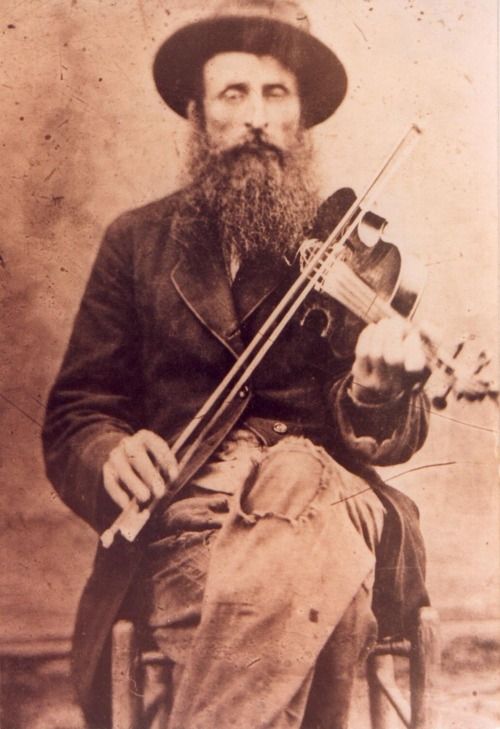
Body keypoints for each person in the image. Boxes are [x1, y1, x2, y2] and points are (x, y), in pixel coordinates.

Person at [42, 2, 430, 727]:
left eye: (275, 93)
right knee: (329, 597)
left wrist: (375, 394)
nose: (256, 117)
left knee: (298, 470)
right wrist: (109, 452)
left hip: (330, 498)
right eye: (233, 94)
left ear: (301, 118)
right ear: (198, 116)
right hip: (193, 523)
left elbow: (399, 431)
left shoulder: (350, 253)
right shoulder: (136, 241)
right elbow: (78, 412)